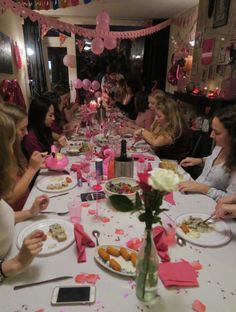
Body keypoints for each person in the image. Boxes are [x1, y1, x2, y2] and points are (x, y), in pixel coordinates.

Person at [0, 112, 49, 280]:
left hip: (15, 248)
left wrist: (30, 212)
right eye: (9, 142)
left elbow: (4, 217)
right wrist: (15, 264)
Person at [179, 105, 236, 201]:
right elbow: (214, 163)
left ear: (233, 136)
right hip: (194, 194)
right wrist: (200, 160)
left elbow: (230, 200)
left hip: (208, 205)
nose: (211, 135)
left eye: (217, 133)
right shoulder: (220, 147)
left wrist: (203, 188)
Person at [0, 103, 44, 211]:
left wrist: (37, 165)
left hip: (28, 206)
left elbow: (23, 177)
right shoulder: (4, 157)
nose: (26, 133)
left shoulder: (16, 149)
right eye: (22, 129)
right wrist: (32, 169)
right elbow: (10, 198)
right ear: (8, 131)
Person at [134, 91, 191, 161]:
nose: (156, 119)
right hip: (162, 159)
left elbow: (156, 142)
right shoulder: (168, 124)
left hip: (173, 166)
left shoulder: (176, 128)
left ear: (169, 116)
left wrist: (142, 131)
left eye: (159, 116)